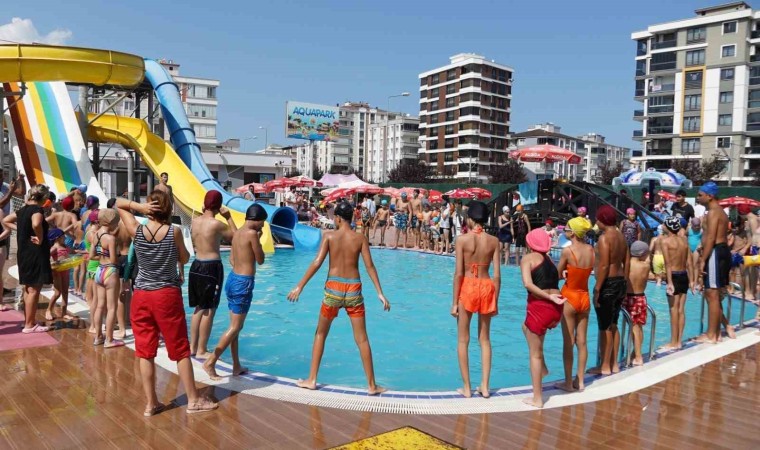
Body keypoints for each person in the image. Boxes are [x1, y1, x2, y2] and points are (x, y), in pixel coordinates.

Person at [114, 191, 217, 416]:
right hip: (166, 295)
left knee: (145, 351)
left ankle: (151, 404)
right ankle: (193, 400)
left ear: (149, 208)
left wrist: (139, 208)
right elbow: (185, 258)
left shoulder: (136, 230)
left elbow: (118, 204)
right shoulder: (174, 232)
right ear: (168, 209)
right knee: (179, 349)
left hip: (142, 295)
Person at [287, 201, 390, 395]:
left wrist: (300, 286)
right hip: (353, 290)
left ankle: (312, 379)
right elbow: (369, 266)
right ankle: (372, 385)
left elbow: (317, 262)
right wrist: (380, 292)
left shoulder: (329, 236)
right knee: (362, 339)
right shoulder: (360, 238)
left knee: (320, 334)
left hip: (333, 289)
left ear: (339, 218)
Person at [203, 204, 266, 380]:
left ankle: (236, 365)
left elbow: (231, 259)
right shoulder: (252, 234)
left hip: (232, 279)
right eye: (262, 222)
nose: (262, 225)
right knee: (235, 327)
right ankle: (210, 362)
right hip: (243, 283)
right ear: (256, 220)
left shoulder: (237, 233)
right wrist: (259, 239)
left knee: (235, 327)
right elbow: (260, 259)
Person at [451, 201, 500, 398]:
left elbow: (458, 274)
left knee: (463, 340)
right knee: (485, 339)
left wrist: (454, 302)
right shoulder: (493, 241)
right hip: (487, 286)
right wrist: (496, 300)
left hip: (468, 286)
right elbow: (497, 276)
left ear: (470, 219)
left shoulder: (462, 240)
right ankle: (485, 387)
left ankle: (467, 388)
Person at [521, 228, 565, 408]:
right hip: (557, 308)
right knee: (525, 328)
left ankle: (537, 399)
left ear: (530, 243)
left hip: (541, 306)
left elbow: (528, 284)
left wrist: (547, 297)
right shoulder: (550, 261)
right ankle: (544, 369)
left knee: (535, 355)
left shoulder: (527, 259)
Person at [190, 191, 237, 358]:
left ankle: (192, 347)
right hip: (211, 268)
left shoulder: (194, 222)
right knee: (209, 309)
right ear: (219, 206)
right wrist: (228, 217)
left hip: (196, 265)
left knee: (198, 308)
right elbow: (236, 238)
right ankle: (202, 349)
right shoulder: (217, 224)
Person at [2, 185, 52, 332]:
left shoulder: (23, 210)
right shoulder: (37, 210)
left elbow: (6, 220)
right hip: (35, 253)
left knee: (28, 288)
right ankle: (29, 325)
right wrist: (40, 238)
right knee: (34, 289)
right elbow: (36, 223)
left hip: (24, 253)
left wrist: (21, 229)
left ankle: (28, 321)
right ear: (44, 198)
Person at [556, 217, 594, 392]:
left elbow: (558, 274)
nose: (565, 229)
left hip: (569, 297)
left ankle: (568, 382)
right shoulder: (591, 250)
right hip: (584, 297)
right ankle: (581, 381)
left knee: (568, 341)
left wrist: (563, 272)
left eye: (567, 227)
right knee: (582, 341)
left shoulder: (567, 251)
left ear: (572, 233)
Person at [592, 205, 629, 376]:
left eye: (598, 219)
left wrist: (597, 288)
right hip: (621, 282)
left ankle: (604, 366)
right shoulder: (622, 237)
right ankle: (614, 364)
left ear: (603, 220)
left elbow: (604, 265)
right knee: (614, 324)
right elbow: (626, 261)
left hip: (608, 284)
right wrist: (625, 281)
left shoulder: (604, 238)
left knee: (604, 327)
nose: (596, 222)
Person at [695, 182, 734, 343]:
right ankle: (716, 333)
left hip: (715, 253)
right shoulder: (720, 212)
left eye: (700, 195)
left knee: (711, 294)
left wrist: (703, 260)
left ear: (710, 196)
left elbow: (711, 237)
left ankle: (711, 335)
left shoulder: (713, 212)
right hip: (721, 251)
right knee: (714, 294)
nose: (698, 198)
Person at [90, 209, 124, 348]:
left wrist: (102, 257)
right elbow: (114, 260)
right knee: (112, 307)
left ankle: (98, 337)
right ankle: (109, 339)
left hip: (99, 271)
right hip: (110, 271)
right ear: (111, 222)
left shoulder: (96, 235)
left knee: (100, 305)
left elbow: (91, 256)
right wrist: (121, 259)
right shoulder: (110, 239)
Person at [660, 217, 693, 351]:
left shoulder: (665, 241)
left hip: (673, 275)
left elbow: (667, 264)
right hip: (684, 275)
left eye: (664, 224)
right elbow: (689, 262)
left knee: (673, 310)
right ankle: (679, 341)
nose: (662, 226)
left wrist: (669, 282)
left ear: (668, 227)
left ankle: (673, 342)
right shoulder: (684, 241)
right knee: (681, 310)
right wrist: (692, 280)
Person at [0, 174, 25, 301]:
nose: (1, 179)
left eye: (1, 176)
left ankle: (1, 289)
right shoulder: (7, 189)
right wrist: (10, 191)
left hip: (3, 224)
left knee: (2, 260)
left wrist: (22, 180)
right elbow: (1, 203)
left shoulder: (5, 186)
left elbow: (21, 193)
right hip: (3, 220)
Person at [625, 241, 651, 365]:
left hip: (629, 298)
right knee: (639, 327)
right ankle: (635, 354)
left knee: (634, 328)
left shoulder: (626, 264)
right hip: (641, 298)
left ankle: (638, 357)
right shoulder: (646, 266)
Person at [46, 228, 75, 321]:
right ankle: (48, 310)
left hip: (65, 270)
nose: (65, 238)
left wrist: (86, 252)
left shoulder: (65, 246)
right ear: (57, 238)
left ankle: (64, 313)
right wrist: (52, 265)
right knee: (58, 293)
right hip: (57, 272)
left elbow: (74, 252)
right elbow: (45, 258)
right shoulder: (54, 248)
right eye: (63, 236)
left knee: (65, 292)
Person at [738, 205, 759, 301]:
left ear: (742, 212)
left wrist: (747, 248)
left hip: (754, 247)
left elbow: (755, 237)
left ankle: (752, 292)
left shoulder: (753, 220)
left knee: (752, 271)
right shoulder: (749, 220)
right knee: (748, 270)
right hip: (751, 247)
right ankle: (747, 291)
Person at [687, 217, 703, 290]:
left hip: (697, 248)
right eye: (695, 226)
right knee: (688, 265)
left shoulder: (701, 231)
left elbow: (703, 239)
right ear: (692, 225)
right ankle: (690, 281)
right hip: (689, 248)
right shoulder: (689, 229)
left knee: (695, 265)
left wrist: (700, 245)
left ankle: (695, 282)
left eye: (698, 225)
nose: (697, 227)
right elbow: (684, 236)